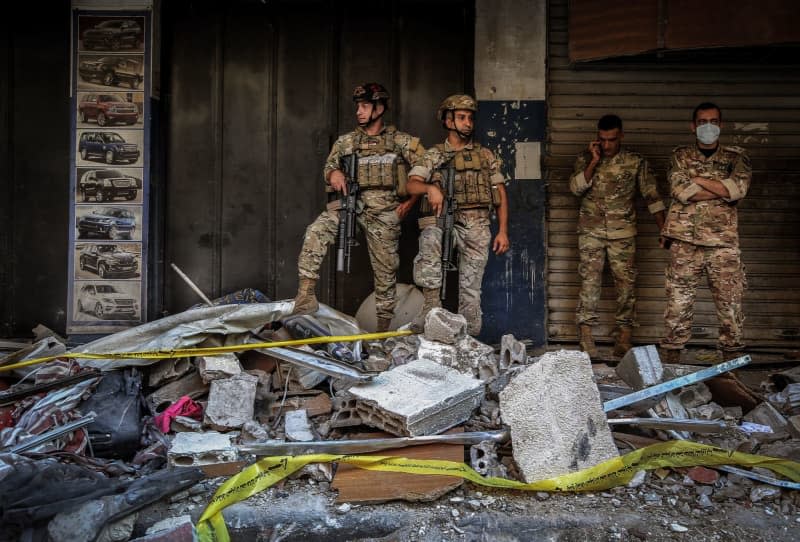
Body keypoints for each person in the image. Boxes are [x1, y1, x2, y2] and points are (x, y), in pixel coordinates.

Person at [291, 83, 424, 332]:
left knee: (385, 274)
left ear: (379, 108)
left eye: (365, 106)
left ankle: (383, 330)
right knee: (316, 231)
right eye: (358, 107)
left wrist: (409, 203)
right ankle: (306, 295)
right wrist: (334, 174)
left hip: (384, 212)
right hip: (350, 205)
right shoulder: (346, 142)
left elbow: (424, 172)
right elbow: (328, 167)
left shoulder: (401, 141)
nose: (359, 112)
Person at [406, 94, 509, 335]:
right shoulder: (434, 155)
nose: (468, 123)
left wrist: (503, 231)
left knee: (471, 289)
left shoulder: (485, 156)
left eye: (470, 118)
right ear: (448, 121)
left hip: (476, 224)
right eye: (462, 118)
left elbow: (501, 194)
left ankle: (468, 336)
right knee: (430, 237)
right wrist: (430, 188)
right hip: (443, 220)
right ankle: (431, 308)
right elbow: (411, 185)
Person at [660, 102, 751, 363]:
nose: (707, 126)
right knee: (677, 308)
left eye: (713, 121)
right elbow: (681, 192)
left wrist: (698, 180)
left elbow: (738, 190)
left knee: (730, 308)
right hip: (684, 243)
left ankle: (730, 371)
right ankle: (671, 367)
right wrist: (721, 188)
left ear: (720, 125)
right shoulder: (679, 156)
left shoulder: (737, 158)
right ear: (693, 126)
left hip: (723, 246)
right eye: (702, 122)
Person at [569, 114, 666, 358]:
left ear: (621, 136)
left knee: (625, 286)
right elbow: (576, 188)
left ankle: (624, 337)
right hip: (591, 232)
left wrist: (664, 229)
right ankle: (586, 337)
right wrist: (593, 161)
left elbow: (652, 197)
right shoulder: (585, 158)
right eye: (602, 140)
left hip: (622, 234)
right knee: (589, 283)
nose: (607, 145)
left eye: (612, 139)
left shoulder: (635, 162)